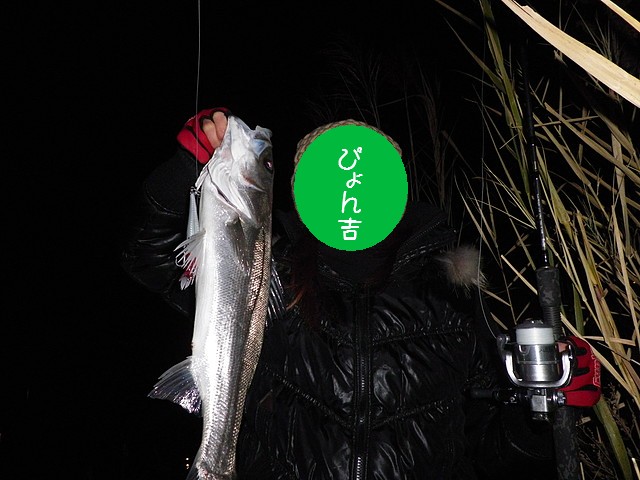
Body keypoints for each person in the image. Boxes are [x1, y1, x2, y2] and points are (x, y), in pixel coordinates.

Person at [121, 107, 600, 479]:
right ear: (302, 193)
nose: (350, 187)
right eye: (328, 176)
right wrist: (187, 171)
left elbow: (491, 451)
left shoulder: (453, 296)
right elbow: (150, 259)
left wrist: (544, 413)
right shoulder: (268, 278)